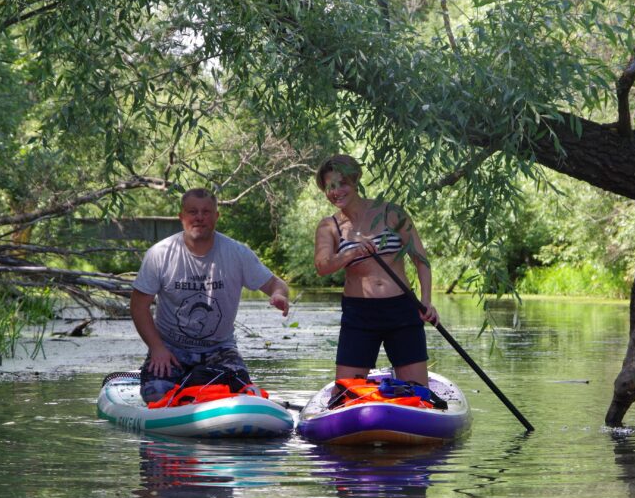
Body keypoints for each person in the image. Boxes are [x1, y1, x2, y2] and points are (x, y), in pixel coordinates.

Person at [131, 187, 290, 402]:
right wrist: (157, 348)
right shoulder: (160, 254)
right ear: (181, 217)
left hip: (220, 350)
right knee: (156, 396)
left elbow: (276, 283)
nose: (199, 218)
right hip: (170, 348)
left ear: (216, 216)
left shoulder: (237, 253)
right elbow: (138, 306)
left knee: (241, 394)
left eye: (206, 212)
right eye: (193, 212)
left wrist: (279, 295)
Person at [313, 155, 438, 388]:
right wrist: (350, 253)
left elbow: (421, 260)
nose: (336, 191)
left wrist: (427, 301)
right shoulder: (329, 225)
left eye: (342, 183)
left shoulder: (392, 213)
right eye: (330, 187)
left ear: (356, 180)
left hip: (402, 310)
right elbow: (322, 266)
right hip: (359, 314)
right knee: (345, 394)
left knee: (417, 392)